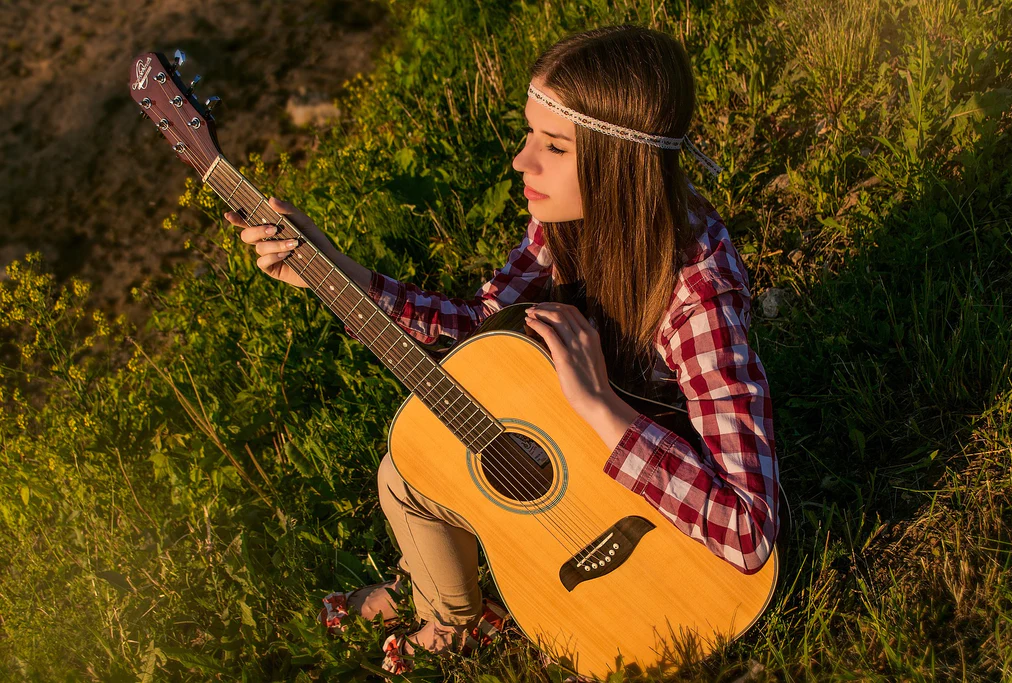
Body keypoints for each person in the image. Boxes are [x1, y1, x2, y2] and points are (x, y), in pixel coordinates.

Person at [225, 24, 780, 675]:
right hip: (580, 456)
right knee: (406, 466)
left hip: (654, 525)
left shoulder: (697, 295)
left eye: (553, 146)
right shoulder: (563, 223)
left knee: (403, 477)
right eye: (528, 134)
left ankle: (435, 601)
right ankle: (450, 611)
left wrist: (599, 404)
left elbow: (748, 530)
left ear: (617, 164)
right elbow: (480, 324)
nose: (522, 161)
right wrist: (339, 273)